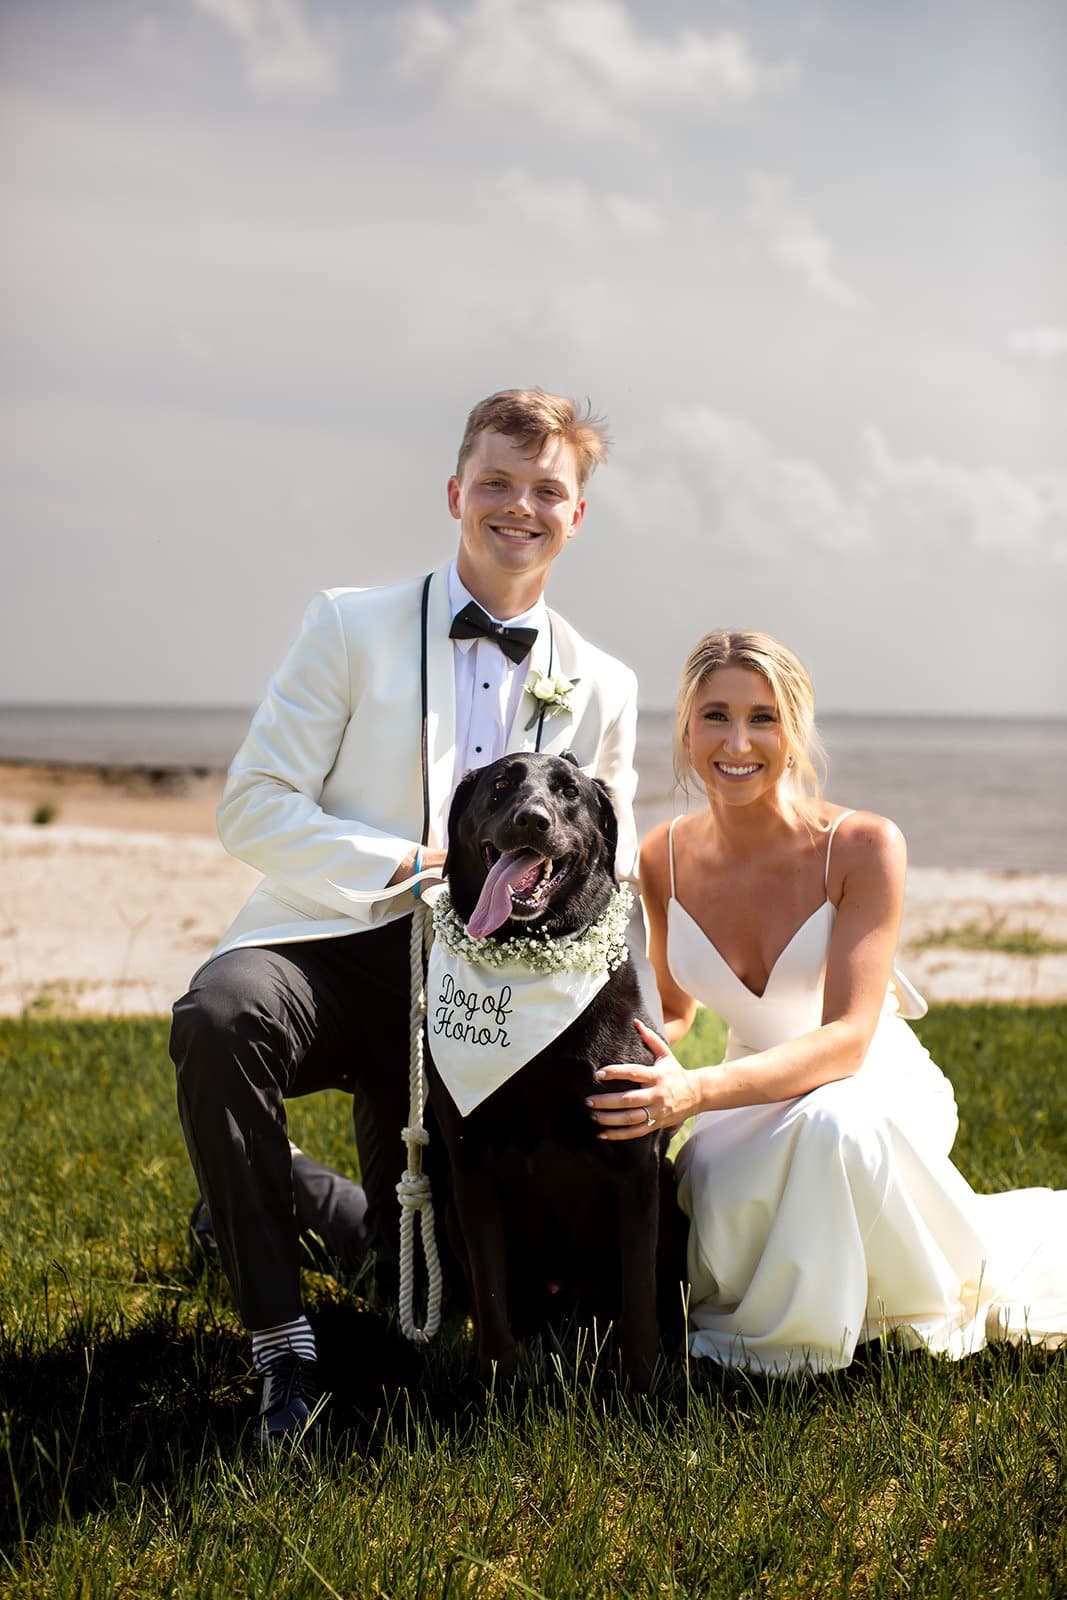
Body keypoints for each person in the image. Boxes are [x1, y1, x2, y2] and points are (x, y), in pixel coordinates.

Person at [170, 389, 655, 1444]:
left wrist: (645, 1019)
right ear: (453, 492)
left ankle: (280, 1191)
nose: (517, 505)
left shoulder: (606, 682)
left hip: (489, 1001)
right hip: (336, 946)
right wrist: (407, 861)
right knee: (220, 1016)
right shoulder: (348, 623)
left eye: (545, 489)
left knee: (412, 1286)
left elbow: (607, 870)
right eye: (495, 481)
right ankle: (281, 1355)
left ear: (576, 516)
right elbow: (250, 805)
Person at [588, 630, 1067, 1374]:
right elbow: (675, 1013)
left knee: (833, 1130)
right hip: (748, 1094)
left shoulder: (863, 844)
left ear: (795, 730)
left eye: (763, 717)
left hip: (863, 1078)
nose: (737, 740)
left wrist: (695, 1091)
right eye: (714, 715)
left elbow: (847, 1037)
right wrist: (611, 1051)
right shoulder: (662, 856)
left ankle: (801, 1349)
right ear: (684, 730)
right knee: (711, 1177)